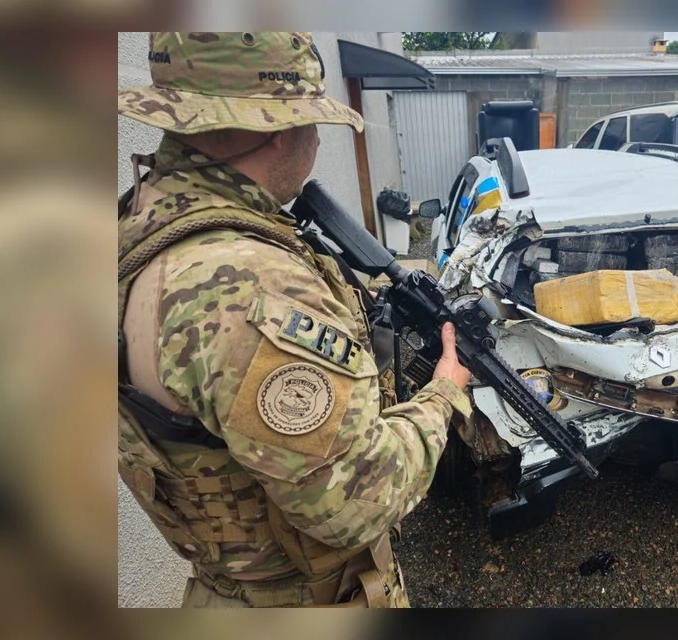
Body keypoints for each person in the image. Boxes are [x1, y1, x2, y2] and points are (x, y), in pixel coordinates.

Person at [117, 32, 472, 608]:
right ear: (280, 128)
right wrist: (444, 395)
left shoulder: (143, 217)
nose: (316, 139)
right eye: (313, 120)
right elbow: (358, 502)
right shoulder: (249, 281)